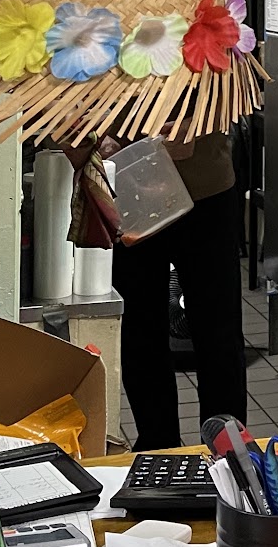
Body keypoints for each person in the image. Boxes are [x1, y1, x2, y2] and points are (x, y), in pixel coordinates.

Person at [106, 131, 248, 451]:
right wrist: (95, 137)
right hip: (129, 182)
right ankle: (159, 447)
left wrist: (195, 124)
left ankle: (229, 451)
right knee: (139, 331)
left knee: (218, 331)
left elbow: (236, 100)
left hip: (206, 188)